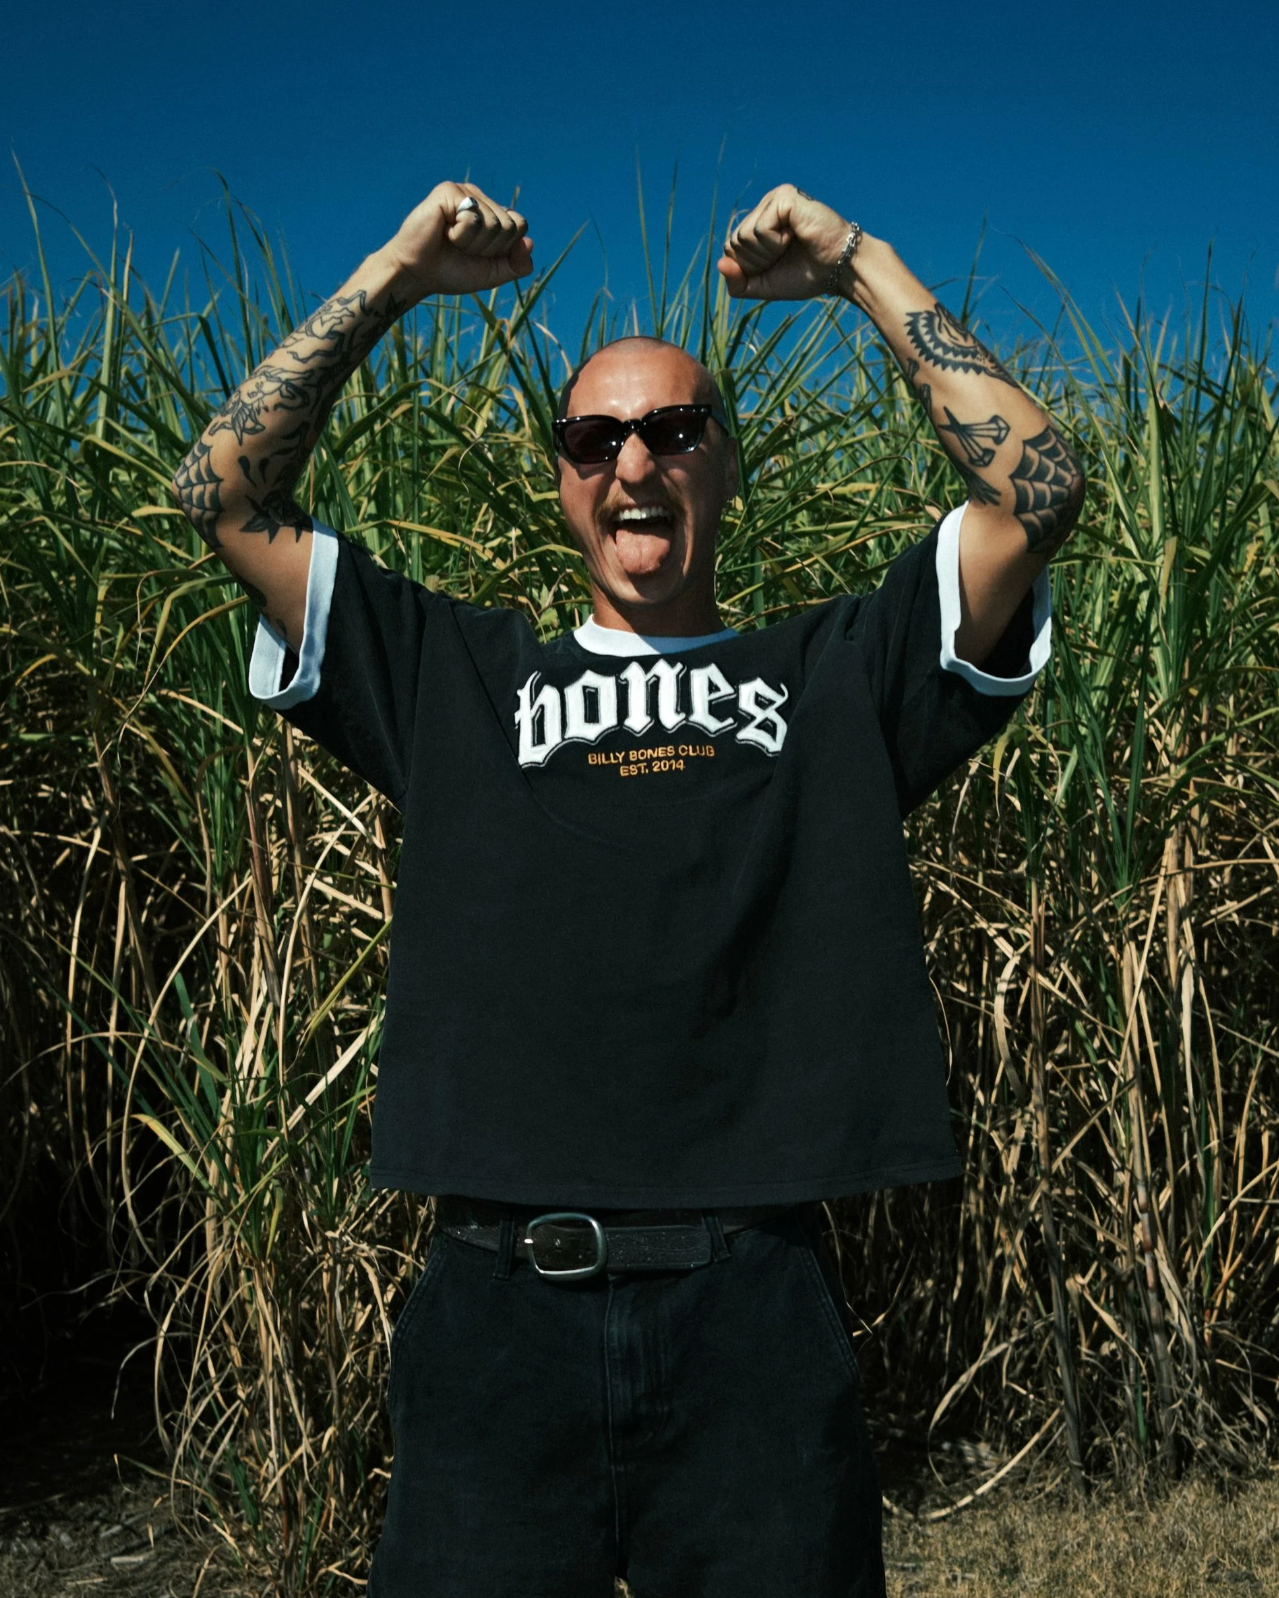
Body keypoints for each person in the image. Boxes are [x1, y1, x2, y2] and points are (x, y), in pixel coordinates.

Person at [173, 180, 1083, 1598]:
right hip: (491, 1320)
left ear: (723, 465)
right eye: (592, 439)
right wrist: (396, 274)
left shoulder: (836, 673)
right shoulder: (451, 678)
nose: (631, 463)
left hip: (755, 1316)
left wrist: (858, 265)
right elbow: (218, 488)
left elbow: (1036, 483)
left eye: (671, 430)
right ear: (562, 480)